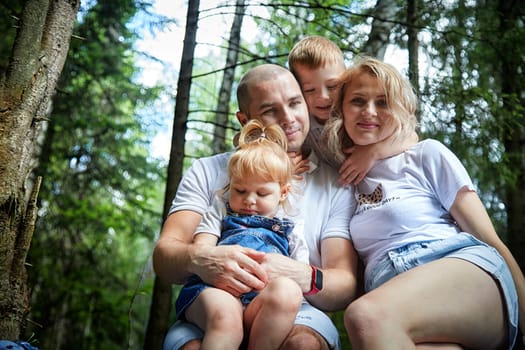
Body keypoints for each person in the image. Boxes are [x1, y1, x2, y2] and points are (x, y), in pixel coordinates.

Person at [323, 55, 525, 349]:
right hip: (396, 300)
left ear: (401, 109)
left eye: (382, 102)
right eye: (357, 101)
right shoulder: (340, 181)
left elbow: (488, 237)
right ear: (341, 109)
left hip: (460, 268)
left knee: (364, 316)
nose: (369, 111)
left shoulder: (426, 155)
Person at [154, 63, 360, 350]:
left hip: (294, 305)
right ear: (244, 119)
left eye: (294, 103)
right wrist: (202, 259)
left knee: (303, 345)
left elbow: (345, 284)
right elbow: (164, 256)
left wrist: (298, 273)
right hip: (215, 299)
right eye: (270, 110)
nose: (288, 119)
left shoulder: (335, 182)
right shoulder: (208, 170)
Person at [174, 119, 309, 349]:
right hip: (215, 292)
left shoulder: (290, 225)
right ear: (231, 184)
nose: (249, 200)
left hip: (262, 301)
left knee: (289, 291)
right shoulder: (221, 209)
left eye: (262, 193)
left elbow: (301, 274)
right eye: (240, 190)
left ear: (283, 192)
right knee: (227, 318)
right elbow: (203, 251)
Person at [288, 35, 417, 185]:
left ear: (345, 83)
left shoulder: (355, 115)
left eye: (332, 86)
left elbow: (411, 137)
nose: (323, 97)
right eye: (310, 90)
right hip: (337, 189)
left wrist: (372, 153)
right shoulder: (302, 124)